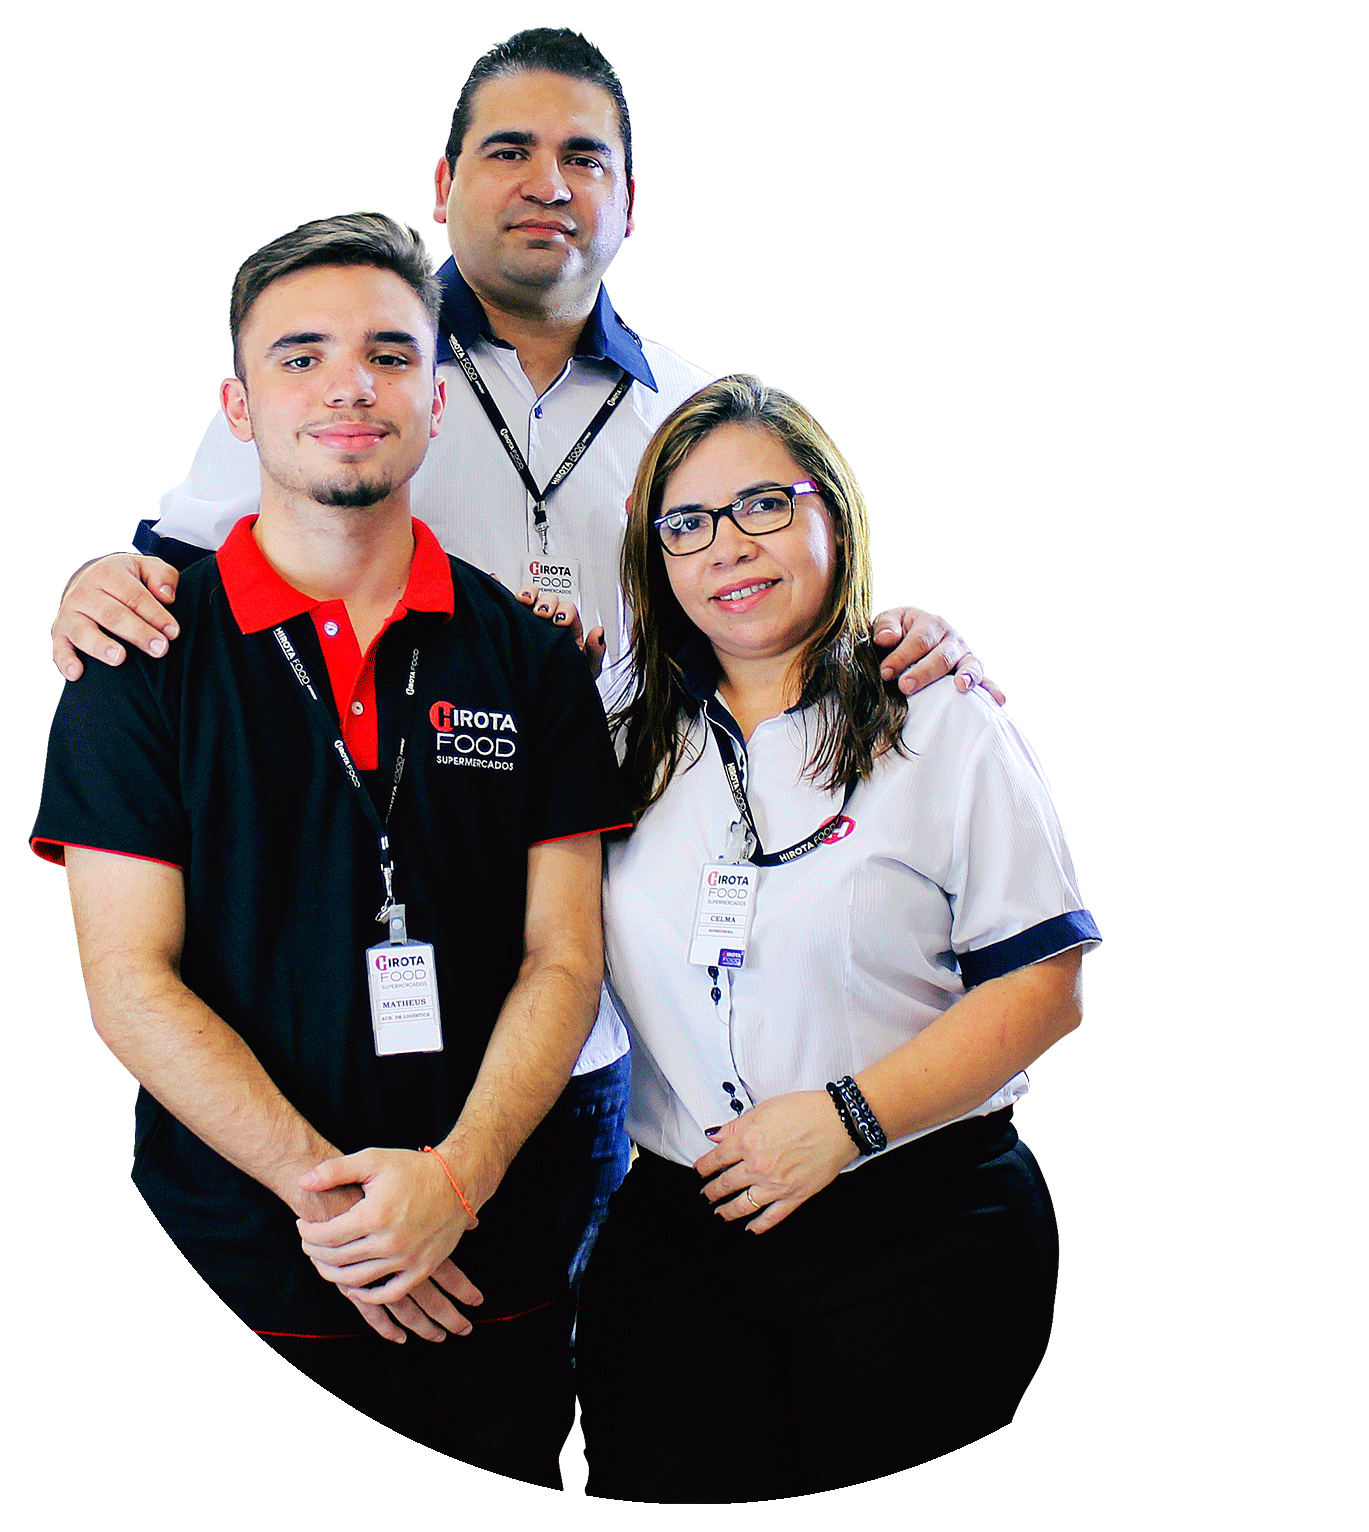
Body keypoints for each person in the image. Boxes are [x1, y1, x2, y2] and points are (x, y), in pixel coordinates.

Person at [43, 27, 993, 1306]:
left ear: (630, 201)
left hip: (584, 1000)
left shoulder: (685, 417)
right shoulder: (354, 364)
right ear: (444, 185)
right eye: (509, 151)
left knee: (565, 1355)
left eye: (583, 158)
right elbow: (169, 586)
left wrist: (900, 631)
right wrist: (84, 580)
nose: (548, 183)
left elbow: (776, 597)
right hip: (306, 990)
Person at [30, 213, 629, 1489]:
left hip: (490, 1260)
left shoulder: (532, 658)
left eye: (389, 354)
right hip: (236, 1262)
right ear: (239, 407)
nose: (349, 384)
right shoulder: (138, 656)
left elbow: (564, 957)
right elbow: (128, 980)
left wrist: (454, 1182)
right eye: (300, 356)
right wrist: (341, 1204)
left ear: (436, 401)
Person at [574, 375, 1100, 1502]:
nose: (728, 546)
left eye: (763, 505)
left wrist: (845, 1122)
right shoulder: (618, 730)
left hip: (919, 1224)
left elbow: (1042, 985)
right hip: (680, 1236)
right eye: (686, 523)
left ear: (833, 513)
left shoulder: (941, 715)